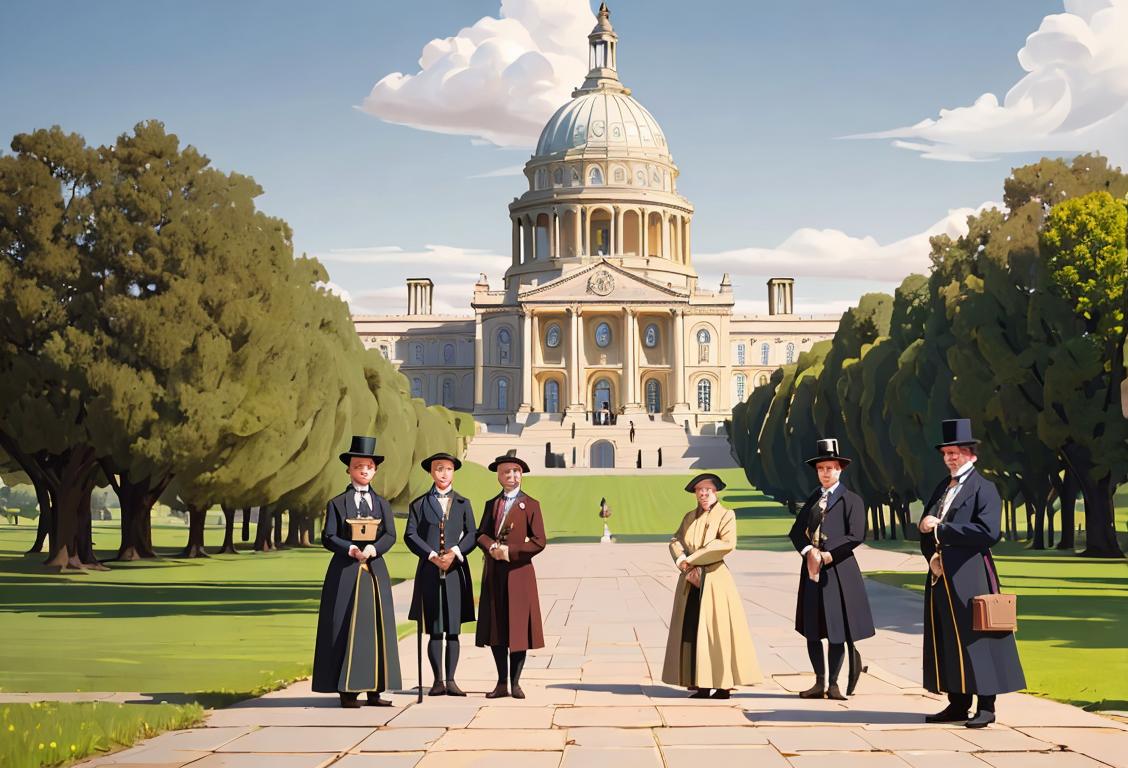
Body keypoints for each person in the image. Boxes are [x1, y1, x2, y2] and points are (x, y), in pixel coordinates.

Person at [918, 419, 1025, 728]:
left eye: (957, 453)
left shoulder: (984, 488)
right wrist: (931, 558)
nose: (951, 458)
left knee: (978, 637)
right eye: (947, 453)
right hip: (942, 575)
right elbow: (927, 524)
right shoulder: (943, 487)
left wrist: (942, 528)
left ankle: (987, 706)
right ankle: (957, 703)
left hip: (971, 573)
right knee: (948, 638)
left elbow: (988, 532)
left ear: (971, 455)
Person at [312, 435, 402, 708]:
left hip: (374, 572)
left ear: (375, 470)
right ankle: (347, 691)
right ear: (349, 469)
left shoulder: (383, 504)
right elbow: (328, 537)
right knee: (344, 626)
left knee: (376, 628)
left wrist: (374, 549)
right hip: (346, 572)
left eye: (369, 467)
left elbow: (390, 534)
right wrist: (350, 548)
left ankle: (375, 690)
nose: (364, 471)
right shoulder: (337, 503)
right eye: (359, 466)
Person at [788, 439, 875, 700]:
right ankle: (819, 682)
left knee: (836, 629)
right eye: (821, 468)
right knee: (813, 629)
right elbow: (796, 532)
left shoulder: (852, 500)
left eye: (830, 468)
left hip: (838, 571)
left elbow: (856, 535)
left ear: (840, 470)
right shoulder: (814, 498)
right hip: (813, 571)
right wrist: (808, 551)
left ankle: (834, 684)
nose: (825, 473)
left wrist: (826, 553)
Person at [662, 473, 761, 699]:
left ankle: (723, 685)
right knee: (693, 629)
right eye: (699, 490)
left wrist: (693, 558)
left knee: (717, 632)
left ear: (715, 492)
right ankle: (701, 683)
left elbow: (725, 544)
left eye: (707, 490)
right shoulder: (689, 517)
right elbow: (676, 540)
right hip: (690, 579)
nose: (703, 494)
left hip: (715, 579)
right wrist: (681, 561)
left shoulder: (726, 515)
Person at [475, 450, 547, 699]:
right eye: (507, 472)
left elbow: (539, 541)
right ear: (499, 476)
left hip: (519, 573)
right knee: (497, 629)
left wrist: (510, 551)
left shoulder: (531, 505)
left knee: (518, 629)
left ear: (522, 475)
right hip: (494, 573)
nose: (512, 476)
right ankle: (501, 682)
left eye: (516, 472)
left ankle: (515, 682)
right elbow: (480, 534)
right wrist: (491, 548)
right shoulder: (491, 504)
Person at [405, 452, 476, 696]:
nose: (443, 473)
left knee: (453, 628)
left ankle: (452, 680)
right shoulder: (419, 504)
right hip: (430, 570)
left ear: (453, 471)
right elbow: (411, 535)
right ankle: (437, 681)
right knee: (435, 627)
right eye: (438, 469)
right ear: (431, 472)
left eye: (447, 468)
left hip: (455, 570)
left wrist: (454, 552)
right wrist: (432, 555)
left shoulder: (462, 503)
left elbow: (471, 534)